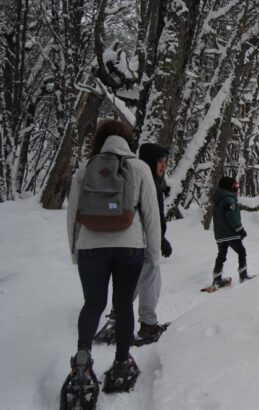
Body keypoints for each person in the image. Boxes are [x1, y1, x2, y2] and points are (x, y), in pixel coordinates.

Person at [65, 119, 160, 396]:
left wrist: (75, 250)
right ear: (127, 139)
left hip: (90, 246)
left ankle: (82, 360)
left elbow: (72, 214)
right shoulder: (140, 167)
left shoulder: (86, 167)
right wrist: (153, 255)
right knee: (123, 304)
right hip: (129, 246)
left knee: (93, 303)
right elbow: (151, 215)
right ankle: (121, 362)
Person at [133, 143, 171, 340]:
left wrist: (161, 236)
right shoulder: (144, 180)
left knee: (138, 280)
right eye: (160, 162)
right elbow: (146, 213)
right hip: (143, 239)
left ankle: (117, 318)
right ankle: (147, 325)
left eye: (165, 162)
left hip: (146, 238)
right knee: (149, 280)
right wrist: (158, 237)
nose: (164, 166)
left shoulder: (155, 181)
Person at [211, 176, 250, 287]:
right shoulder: (229, 199)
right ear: (228, 188)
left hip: (220, 235)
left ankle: (217, 279)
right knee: (241, 251)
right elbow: (231, 216)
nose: (237, 190)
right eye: (234, 188)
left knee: (221, 255)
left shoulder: (219, 199)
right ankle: (243, 275)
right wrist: (240, 230)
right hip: (230, 233)